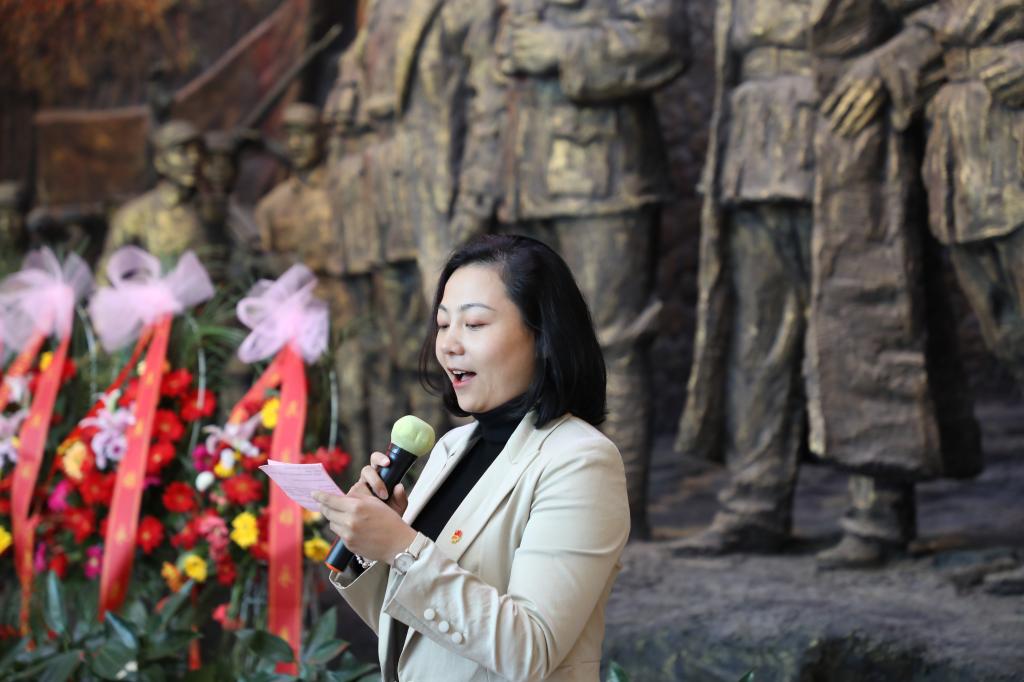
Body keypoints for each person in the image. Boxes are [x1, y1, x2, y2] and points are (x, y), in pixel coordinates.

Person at [313, 234, 630, 681]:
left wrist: (402, 547)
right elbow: (416, 636)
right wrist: (373, 545)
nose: (448, 344)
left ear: (543, 334)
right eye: (443, 324)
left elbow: (530, 650)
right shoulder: (451, 448)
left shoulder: (582, 462)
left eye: (474, 324)